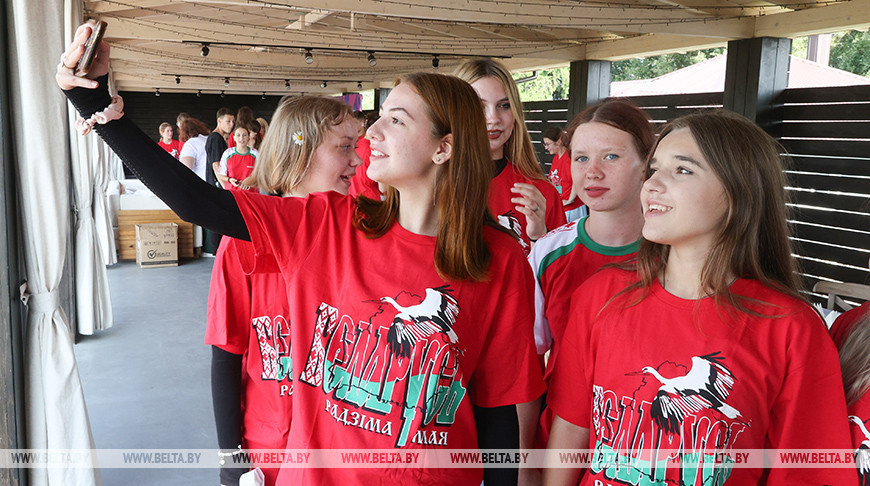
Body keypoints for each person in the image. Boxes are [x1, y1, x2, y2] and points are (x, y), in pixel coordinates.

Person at [58, 22, 544, 486]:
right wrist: (95, 105)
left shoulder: (498, 261)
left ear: (444, 148)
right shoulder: (327, 223)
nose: (371, 134)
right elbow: (197, 201)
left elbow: (495, 409)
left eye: (395, 121)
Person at [544, 110, 857, 485]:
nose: (652, 185)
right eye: (654, 168)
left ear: (739, 191)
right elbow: (572, 427)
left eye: (682, 170)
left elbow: (807, 471)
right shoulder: (599, 295)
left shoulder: (789, 327)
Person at [207, 95, 361, 486]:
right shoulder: (241, 241)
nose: (357, 161)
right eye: (345, 147)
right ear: (302, 151)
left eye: (356, 147)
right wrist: (231, 460)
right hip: (268, 452)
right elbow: (226, 353)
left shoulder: (358, 234)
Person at [528, 100, 654, 451]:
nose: (592, 173)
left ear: (646, 164)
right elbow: (525, 364)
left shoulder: (678, 254)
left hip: (644, 445)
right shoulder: (548, 253)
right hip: (560, 443)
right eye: (581, 158)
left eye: (610, 157)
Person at [455, 59, 566, 253]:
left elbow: (560, 278)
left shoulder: (540, 193)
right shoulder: (431, 188)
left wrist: (539, 236)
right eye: (479, 106)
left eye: (504, 105)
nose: (493, 118)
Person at [205, 107, 235, 254]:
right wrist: (225, 186)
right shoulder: (215, 138)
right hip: (217, 185)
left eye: (233, 121)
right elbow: (216, 165)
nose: (231, 124)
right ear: (219, 121)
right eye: (228, 121)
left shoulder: (217, 138)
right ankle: (218, 252)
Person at [542, 126, 585, 222]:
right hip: (561, 206)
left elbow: (577, 180)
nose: (546, 148)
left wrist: (570, 199)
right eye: (545, 144)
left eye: (548, 144)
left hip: (572, 208)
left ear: (558, 142)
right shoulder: (556, 158)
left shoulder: (569, 158)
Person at [349, 110, 382, 200]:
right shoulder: (351, 146)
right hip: (363, 198)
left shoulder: (371, 147)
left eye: (353, 123)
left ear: (362, 123)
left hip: (365, 198)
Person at [215, 126, 258, 192]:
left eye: (244, 135)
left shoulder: (255, 153)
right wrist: (229, 180)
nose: (241, 138)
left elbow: (261, 175)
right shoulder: (228, 153)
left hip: (251, 193)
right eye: (238, 135)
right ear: (234, 138)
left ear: (249, 137)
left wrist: (250, 182)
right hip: (232, 193)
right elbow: (221, 175)